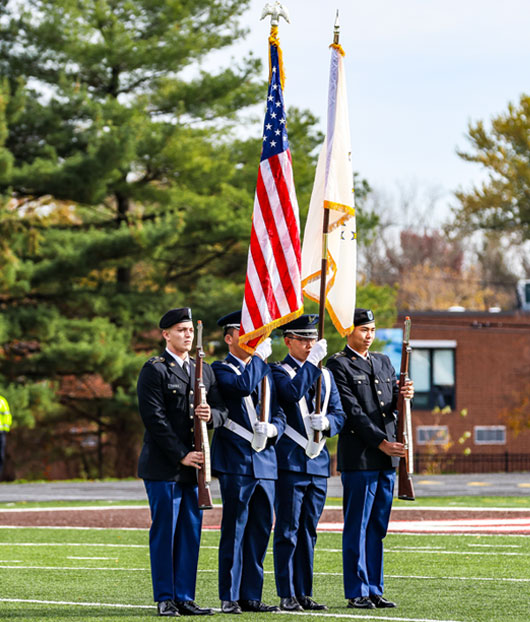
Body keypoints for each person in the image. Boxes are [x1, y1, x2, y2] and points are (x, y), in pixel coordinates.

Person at [137, 307, 228, 617]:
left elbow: (222, 410)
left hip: (197, 467)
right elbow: (154, 419)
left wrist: (211, 416)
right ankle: (165, 596)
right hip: (166, 466)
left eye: (190, 330)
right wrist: (181, 454)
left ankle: (185, 596)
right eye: (180, 330)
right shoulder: (156, 369)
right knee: (166, 531)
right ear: (166, 334)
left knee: (190, 531)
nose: (187, 335)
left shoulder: (203, 369)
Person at [326, 308, 414, 610]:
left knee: (377, 526)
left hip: (387, 459)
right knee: (358, 525)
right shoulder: (338, 365)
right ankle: (357, 590)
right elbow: (353, 412)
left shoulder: (383, 362)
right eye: (364, 329)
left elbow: (389, 406)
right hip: (362, 456)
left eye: (373, 330)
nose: (369, 335)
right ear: (348, 331)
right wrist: (381, 442)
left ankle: (374, 587)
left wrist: (405, 394)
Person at [210, 311, 285, 615]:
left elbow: (278, 410)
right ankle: (229, 595)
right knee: (235, 529)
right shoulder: (220, 368)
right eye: (244, 335)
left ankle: (251, 595)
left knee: (259, 530)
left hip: (264, 460)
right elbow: (240, 387)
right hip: (236, 460)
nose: (253, 341)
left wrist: (275, 429)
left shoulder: (263, 370)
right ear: (229, 339)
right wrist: (259, 360)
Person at [270, 315, 345, 612]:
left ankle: (304, 592)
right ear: (288, 341)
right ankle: (287, 593)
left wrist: (328, 423)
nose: (309, 344)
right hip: (290, 462)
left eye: (312, 339)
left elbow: (340, 413)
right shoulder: (277, 371)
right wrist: (313, 363)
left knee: (308, 531)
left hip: (317, 463)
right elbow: (290, 394)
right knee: (288, 530)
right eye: (302, 340)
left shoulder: (326, 376)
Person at [0, 394, 12, 479]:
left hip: (1, 432)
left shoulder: (2, 401)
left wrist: (6, 428)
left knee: (1, 455)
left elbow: (7, 415)